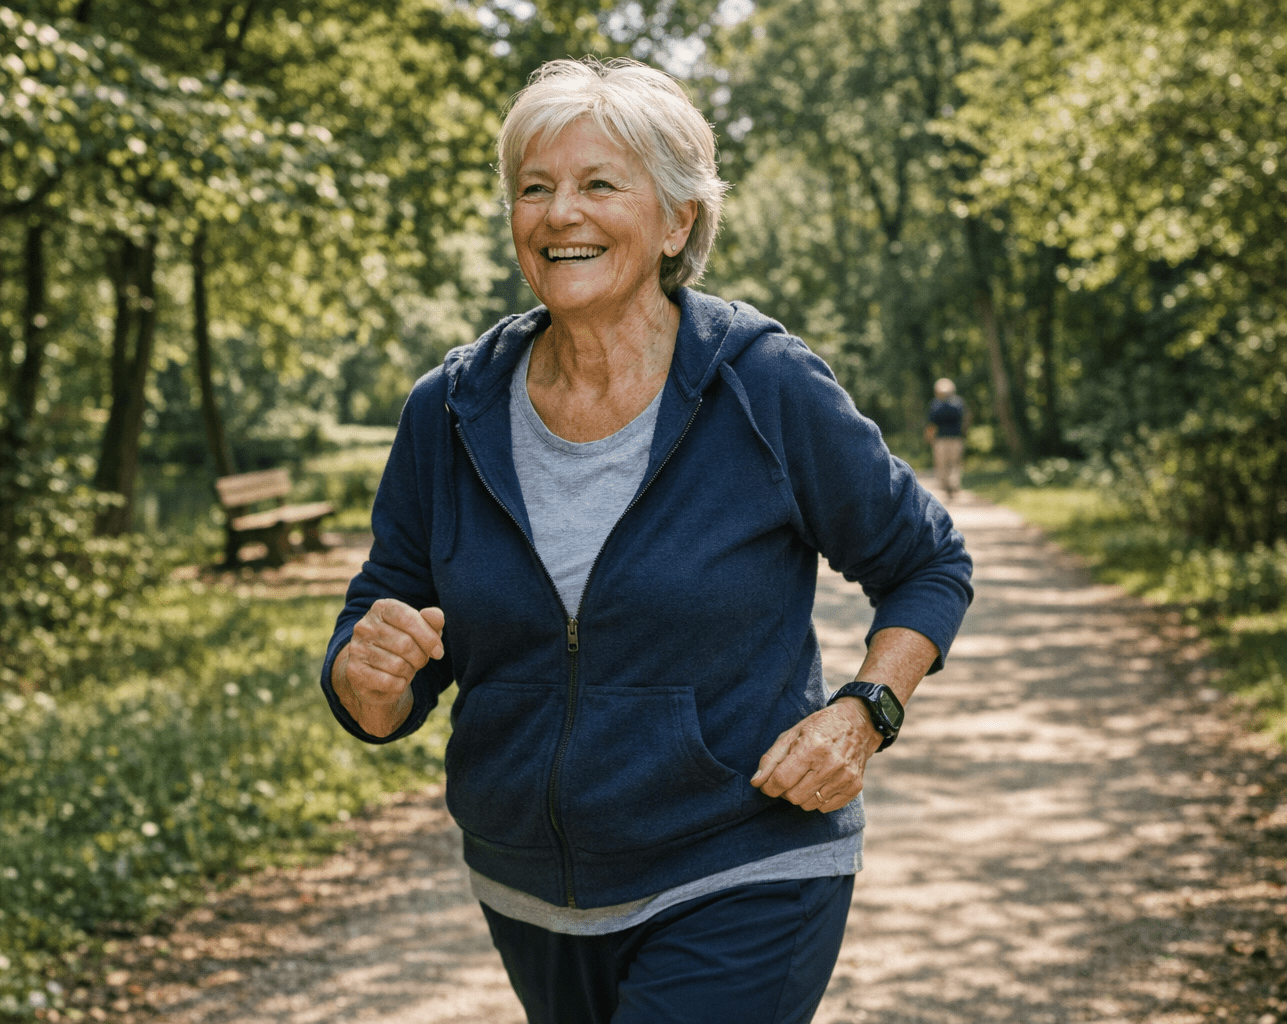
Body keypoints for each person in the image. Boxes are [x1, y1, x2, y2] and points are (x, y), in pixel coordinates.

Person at [321, 58, 973, 1024]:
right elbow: (385, 626)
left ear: (677, 222)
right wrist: (366, 680)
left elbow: (926, 564)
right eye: (533, 189)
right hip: (530, 889)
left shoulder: (765, 386)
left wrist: (866, 710)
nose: (558, 213)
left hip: (747, 860)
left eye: (597, 185)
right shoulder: (449, 409)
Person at [924, 378, 967, 500]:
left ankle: (949, 485)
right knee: (953, 463)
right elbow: (965, 420)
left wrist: (929, 438)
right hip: (954, 439)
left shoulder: (935, 405)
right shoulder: (958, 403)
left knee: (945, 464)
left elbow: (931, 425)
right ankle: (951, 485)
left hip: (942, 440)